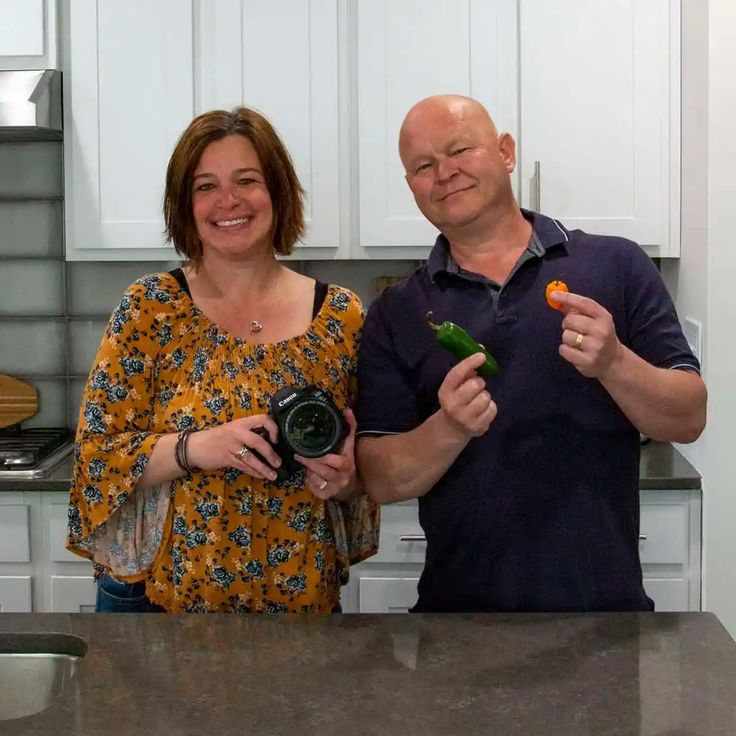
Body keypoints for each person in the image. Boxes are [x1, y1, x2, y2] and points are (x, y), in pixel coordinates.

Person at [355, 94, 706, 613]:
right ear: (412, 187)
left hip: (603, 617)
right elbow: (381, 479)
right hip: (458, 621)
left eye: (461, 150)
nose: (445, 173)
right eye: (423, 165)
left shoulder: (617, 265)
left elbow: (689, 416)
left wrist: (614, 364)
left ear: (506, 152)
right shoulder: (397, 310)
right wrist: (448, 427)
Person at [67, 107, 378, 613]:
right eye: (205, 186)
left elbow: (367, 465)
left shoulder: (341, 317)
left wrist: (346, 480)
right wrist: (197, 447)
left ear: (277, 191)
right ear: (184, 206)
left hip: (300, 602)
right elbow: (96, 457)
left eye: (247, 180)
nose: (227, 201)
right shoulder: (151, 308)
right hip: (161, 607)